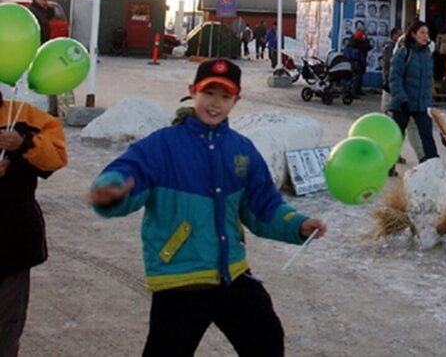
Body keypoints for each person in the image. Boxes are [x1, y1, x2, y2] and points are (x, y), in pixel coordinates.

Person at [89, 60, 327, 355]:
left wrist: (296, 224)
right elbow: (128, 172)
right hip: (180, 280)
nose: (215, 104)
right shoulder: (162, 145)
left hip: (231, 274)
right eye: (208, 93)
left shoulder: (241, 149)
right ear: (193, 92)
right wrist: (112, 191)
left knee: (266, 337)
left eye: (225, 97)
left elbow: (263, 207)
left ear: (236, 100)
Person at [0, 90, 67, 356]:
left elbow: (56, 158)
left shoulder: (24, 115)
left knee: (6, 326)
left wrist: (24, 144)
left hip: (11, 245)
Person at [390, 21, 439, 162]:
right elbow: (395, 78)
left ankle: (432, 165)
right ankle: (389, 165)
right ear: (413, 34)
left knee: (427, 136)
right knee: (396, 136)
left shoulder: (427, 55)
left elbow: (428, 80)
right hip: (403, 103)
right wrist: (401, 98)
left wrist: (429, 99)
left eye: (427, 33)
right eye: (422, 33)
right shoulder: (403, 52)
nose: (426, 36)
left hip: (421, 104)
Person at [380, 27, 402, 114]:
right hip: (389, 80)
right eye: (399, 34)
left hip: (396, 81)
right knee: (387, 105)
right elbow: (387, 64)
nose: (400, 37)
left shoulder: (400, 47)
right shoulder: (389, 47)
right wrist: (387, 78)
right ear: (394, 35)